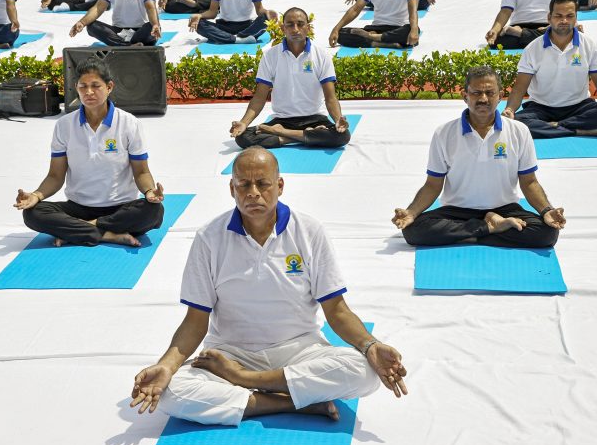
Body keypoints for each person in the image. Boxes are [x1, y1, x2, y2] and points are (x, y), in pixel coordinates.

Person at [130, 146, 408, 425]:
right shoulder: (209, 238)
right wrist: (166, 366)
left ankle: (247, 383)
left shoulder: (310, 231)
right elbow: (195, 321)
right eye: (243, 184)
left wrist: (371, 345)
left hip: (300, 350)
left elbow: (337, 310)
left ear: (279, 186)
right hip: (229, 353)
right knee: (172, 393)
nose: (253, 192)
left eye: (262, 183)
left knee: (364, 372)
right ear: (232, 189)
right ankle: (292, 402)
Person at [392, 66, 566, 248]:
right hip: (457, 211)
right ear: (465, 96)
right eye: (476, 93)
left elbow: (529, 182)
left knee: (547, 233)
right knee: (413, 231)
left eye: (490, 93)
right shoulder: (444, 133)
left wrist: (547, 211)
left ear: (500, 96)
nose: (483, 99)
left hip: (505, 210)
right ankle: (490, 228)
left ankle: (470, 233)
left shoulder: (519, 131)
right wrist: (411, 212)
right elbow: (433, 185)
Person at [13, 58, 165, 247]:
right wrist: (35, 195)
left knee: (154, 211)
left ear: (109, 87)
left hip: (120, 209)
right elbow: (55, 176)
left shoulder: (129, 123)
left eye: (95, 86)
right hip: (78, 208)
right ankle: (109, 235)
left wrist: (150, 192)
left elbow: (141, 172)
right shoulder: (64, 125)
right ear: (76, 88)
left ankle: (81, 230)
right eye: (83, 86)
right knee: (32, 213)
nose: (89, 92)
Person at [502, 0, 597, 138]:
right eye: (558, 16)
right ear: (549, 18)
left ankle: (553, 127)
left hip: (579, 107)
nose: (564, 20)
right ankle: (576, 129)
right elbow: (519, 88)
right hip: (541, 108)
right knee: (514, 123)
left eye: (569, 16)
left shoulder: (589, 45)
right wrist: (510, 109)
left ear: (576, 17)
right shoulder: (532, 48)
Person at [230, 7, 350, 149]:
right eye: (290, 25)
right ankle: (305, 136)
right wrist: (243, 123)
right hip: (282, 120)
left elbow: (330, 98)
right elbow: (259, 98)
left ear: (308, 28)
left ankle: (282, 134)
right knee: (243, 137)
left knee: (343, 135)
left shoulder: (322, 55)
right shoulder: (270, 56)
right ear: (283, 28)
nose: (295, 29)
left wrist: (338, 120)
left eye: (300, 24)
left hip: (315, 119)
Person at [330, 0, 421, 49]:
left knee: (413, 30)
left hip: (399, 28)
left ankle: (372, 38)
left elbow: (413, 9)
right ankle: (378, 42)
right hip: (376, 28)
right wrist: (336, 29)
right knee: (341, 34)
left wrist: (414, 29)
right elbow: (355, 9)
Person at [68, 0, 161, 46]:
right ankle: (128, 46)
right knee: (91, 26)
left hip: (140, 31)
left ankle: (123, 45)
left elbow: (150, 7)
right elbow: (98, 7)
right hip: (118, 32)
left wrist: (155, 24)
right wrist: (82, 22)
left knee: (152, 27)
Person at [187, 0, 277, 45]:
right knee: (199, 24)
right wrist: (199, 16)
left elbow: (259, 10)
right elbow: (212, 12)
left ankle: (228, 38)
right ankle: (238, 39)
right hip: (224, 26)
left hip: (247, 26)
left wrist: (267, 13)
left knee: (265, 19)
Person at [485, 0, 567, 50]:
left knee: (563, 34)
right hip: (520, 25)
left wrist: (552, 26)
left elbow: (563, 8)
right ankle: (539, 38)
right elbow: (505, 11)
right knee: (496, 42)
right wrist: (495, 30)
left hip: (547, 26)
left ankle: (521, 34)